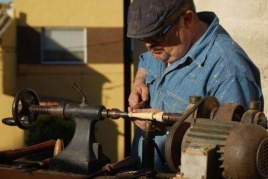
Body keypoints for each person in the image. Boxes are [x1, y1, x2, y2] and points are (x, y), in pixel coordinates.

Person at [127, 0, 264, 173]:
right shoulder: (164, 45)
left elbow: (234, 158)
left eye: (156, 36)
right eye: (143, 38)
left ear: (187, 20)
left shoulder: (229, 72)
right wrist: (139, 81)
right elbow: (146, 60)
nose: (149, 45)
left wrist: (167, 125)